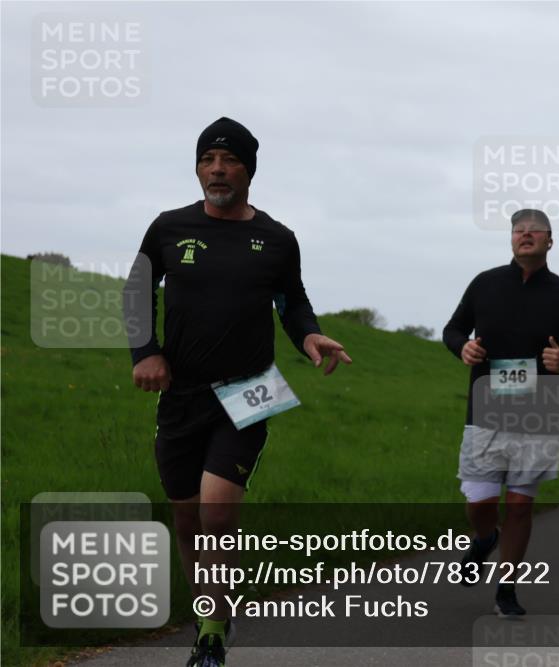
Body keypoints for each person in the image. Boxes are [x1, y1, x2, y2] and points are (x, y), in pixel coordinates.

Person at [126, 117, 352, 667]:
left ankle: (209, 635)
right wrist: (146, 353)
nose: (217, 170)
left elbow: (292, 302)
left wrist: (310, 335)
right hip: (181, 395)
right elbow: (136, 291)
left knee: (217, 514)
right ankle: (213, 611)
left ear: (249, 170)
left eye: (229, 162)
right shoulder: (167, 228)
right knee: (185, 520)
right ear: (198, 167)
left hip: (250, 390)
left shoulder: (276, 239)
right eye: (208, 161)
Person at [443, 208, 559, 616]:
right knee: (480, 504)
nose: (525, 235)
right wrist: (463, 346)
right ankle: (483, 539)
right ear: (511, 239)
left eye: (535, 230)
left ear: (551, 241)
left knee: (519, 505)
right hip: (485, 413)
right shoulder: (485, 284)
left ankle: (506, 589)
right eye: (518, 230)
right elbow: (452, 329)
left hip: (538, 416)